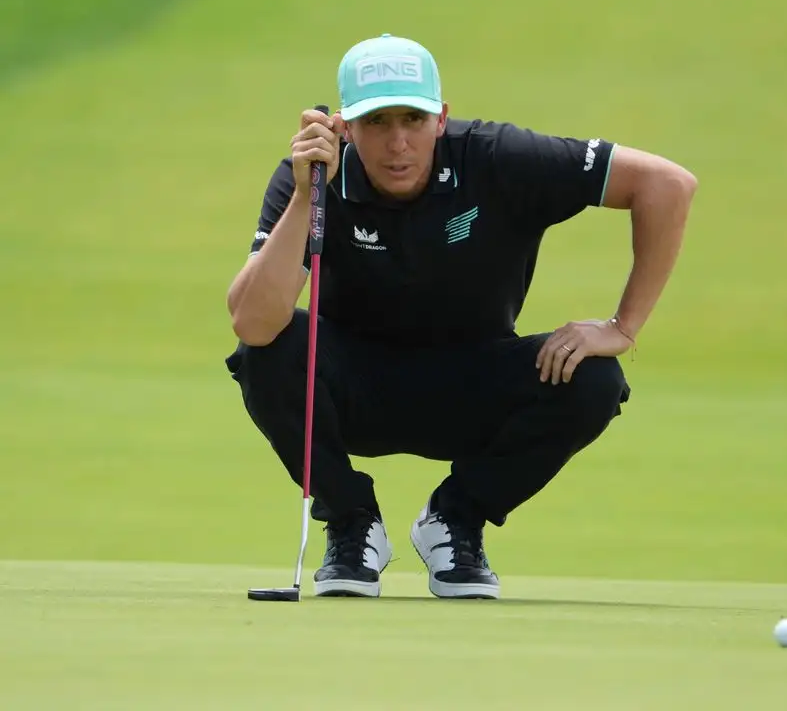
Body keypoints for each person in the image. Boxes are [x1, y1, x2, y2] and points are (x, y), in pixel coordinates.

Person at [224, 33, 697, 600]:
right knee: (267, 351)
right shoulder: (313, 177)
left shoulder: (497, 159)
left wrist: (623, 328)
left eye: (413, 120)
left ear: (441, 118)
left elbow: (666, 184)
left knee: (594, 378)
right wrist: (306, 197)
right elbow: (253, 323)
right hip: (355, 390)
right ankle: (351, 523)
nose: (397, 143)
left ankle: (456, 521)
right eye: (376, 123)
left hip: (475, 387)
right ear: (345, 127)